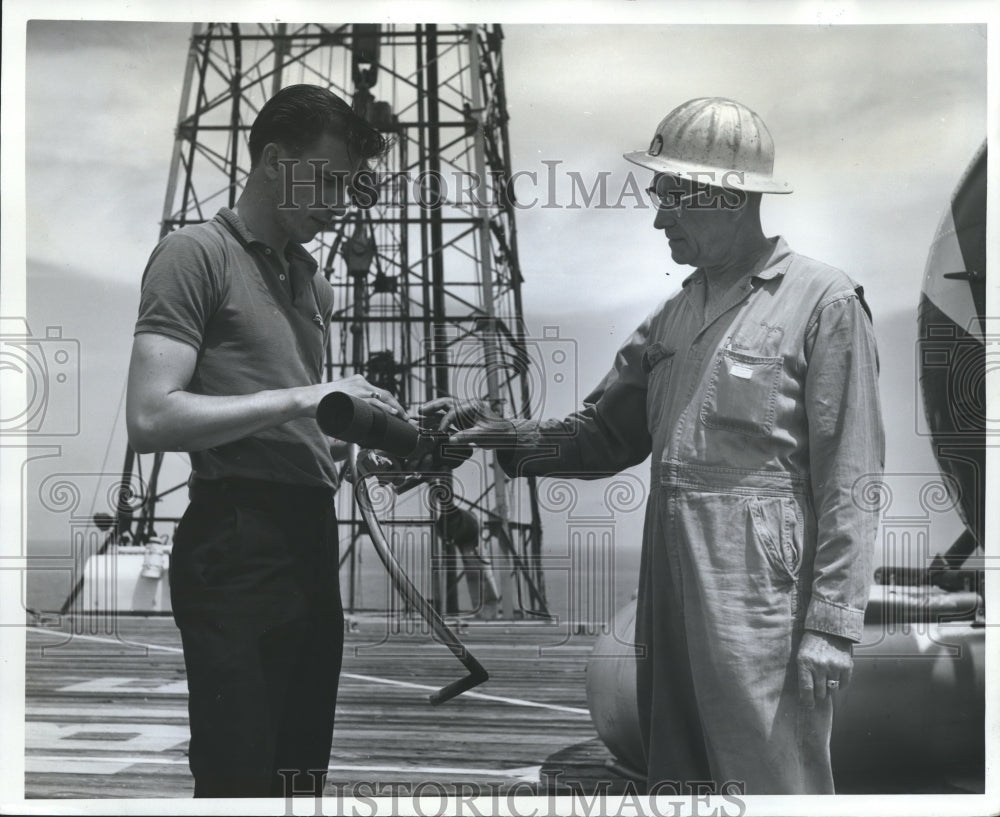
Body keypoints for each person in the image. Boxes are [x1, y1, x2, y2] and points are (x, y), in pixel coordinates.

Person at [429, 97, 885, 794]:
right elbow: (601, 434)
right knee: (677, 780)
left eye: (672, 198)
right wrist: (499, 432)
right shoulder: (675, 317)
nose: (658, 217)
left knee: (768, 781)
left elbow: (851, 478)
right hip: (668, 593)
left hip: (761, 610)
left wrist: (831, 625)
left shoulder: (823, 303)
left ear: (727, 197)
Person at [125, 84, 404, 798]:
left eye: (351, 186)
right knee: (239, 775)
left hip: (309, 538)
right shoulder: (194, 254)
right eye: (331, 180)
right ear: (276, 161)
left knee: (298, 772)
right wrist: (308, 396)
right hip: (235, 540)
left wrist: (360, 447)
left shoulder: (312, 282)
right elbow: (151, 417)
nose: (342, 203)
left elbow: (293, 423)